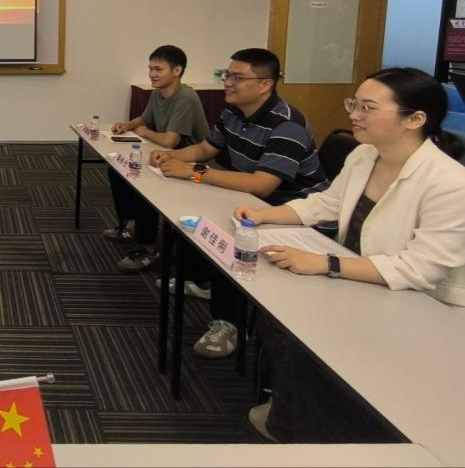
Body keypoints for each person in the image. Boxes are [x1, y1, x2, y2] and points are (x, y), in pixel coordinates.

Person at [233, 67, 465, 442]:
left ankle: (314, 426)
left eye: (368, 107)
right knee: (278, 317)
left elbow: (420, 270)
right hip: (360, 282)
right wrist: (266, 215)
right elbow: (327, 203)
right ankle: (295, 411)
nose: (355, 115)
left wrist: (326, 263)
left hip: (422, 304)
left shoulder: (450, 183)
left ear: (415, 119)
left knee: (304, 332)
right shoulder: (364, 155)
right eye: (354, 104)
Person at [150, 48, 329, 359]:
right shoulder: (233, 111)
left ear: (265, 84)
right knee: (191, 215)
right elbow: (206, 148)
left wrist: (195, 172)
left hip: (293, 213)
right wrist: (170, 156)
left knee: (230, 237)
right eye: (226, 75)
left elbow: (263, 184)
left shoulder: (288, 125)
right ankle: (204, 281)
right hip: (249, 201)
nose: (228, 83)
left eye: (237, 77)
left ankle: (231, 324)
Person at [104, 45, 209, 273]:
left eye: (158, 69)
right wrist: (127, 125)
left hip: (190, 162)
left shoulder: (186, 97)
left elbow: (170, 140)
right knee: (118, 169)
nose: (152, 74)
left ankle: (148, 247)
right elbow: (144, 119)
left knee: (144, 183)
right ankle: (130, 225)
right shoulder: (157, 93)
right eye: (150, 68)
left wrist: (146, 133)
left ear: (177, 71)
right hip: (166, 157)